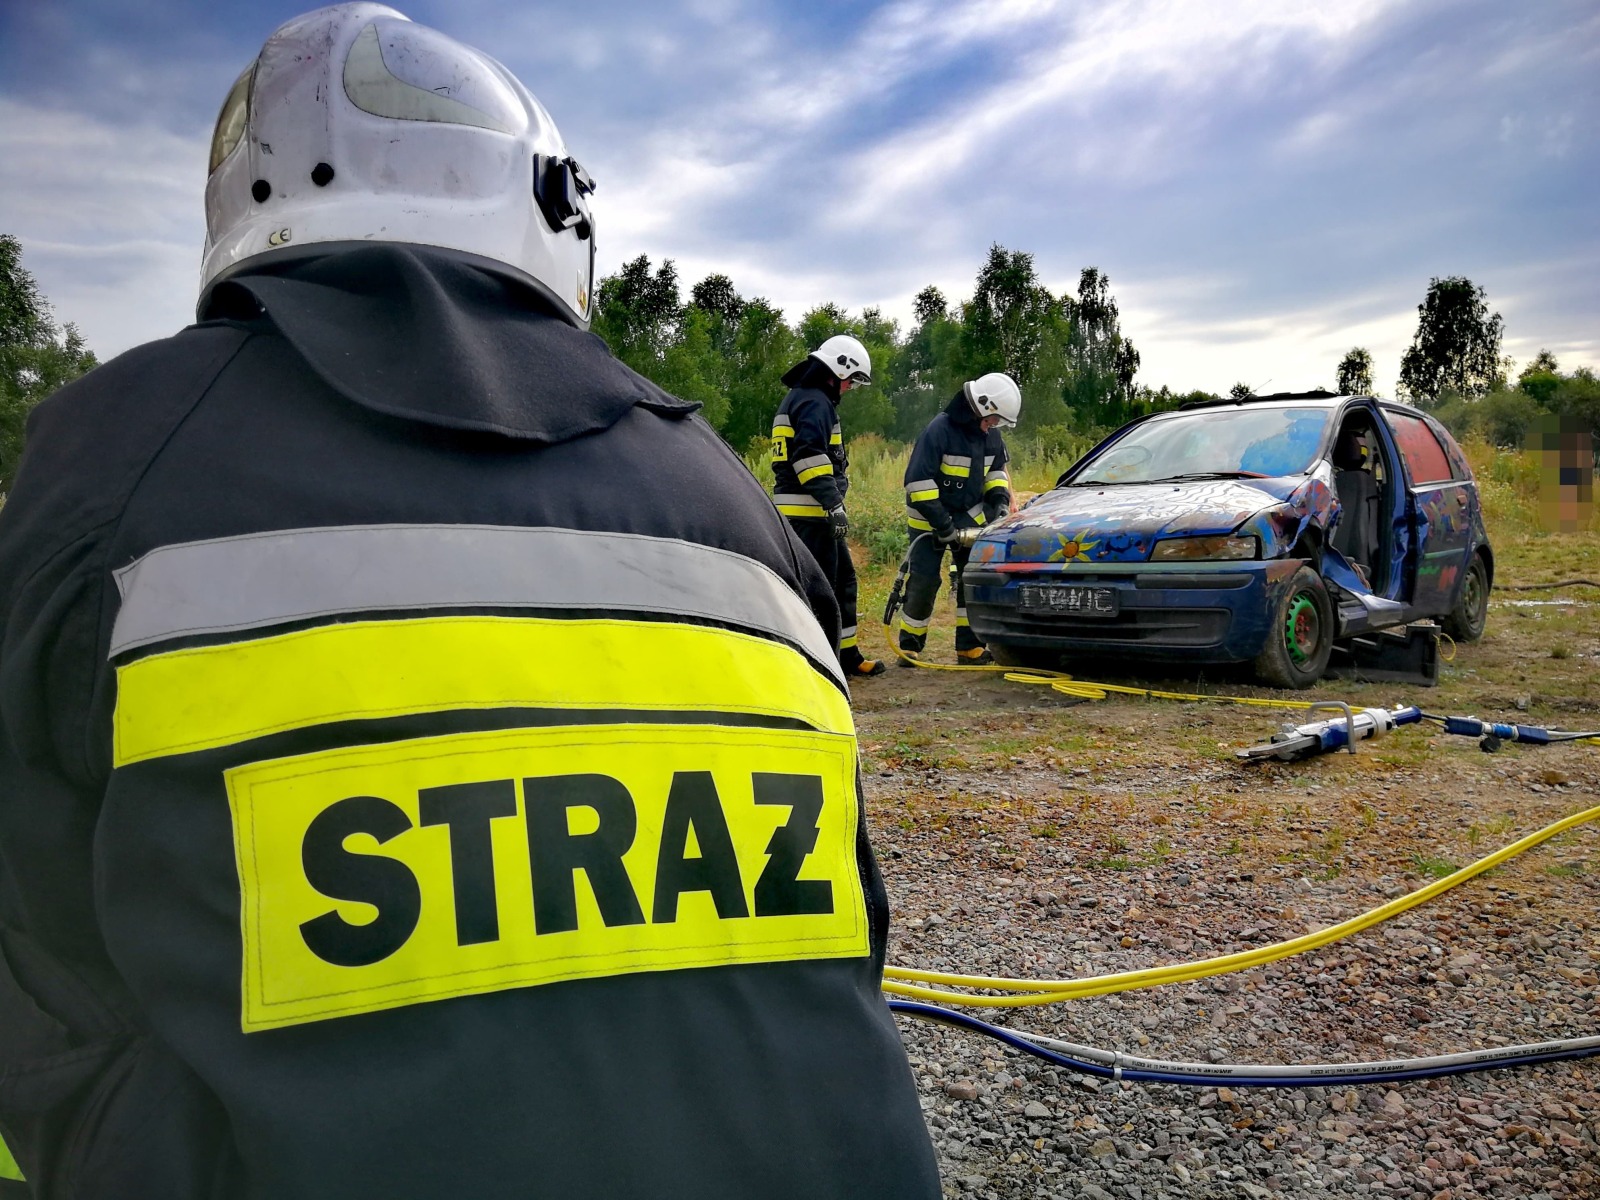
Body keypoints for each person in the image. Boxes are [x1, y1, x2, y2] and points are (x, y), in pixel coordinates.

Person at [0, 7, 940, 1198]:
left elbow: (39, 951)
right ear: (547, 206)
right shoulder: (720, 489)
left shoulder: (114, 462)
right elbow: (849, 926)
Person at [769, 335, 887, 677]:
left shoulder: (801, 399)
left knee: (843, 581)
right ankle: (823, 662)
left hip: (806, 514)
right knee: (823, 591)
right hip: (811, 515)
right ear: (837, 370)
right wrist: (833, 503)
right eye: (851, 381)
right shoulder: (814, 402)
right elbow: (809, 457)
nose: (850, 389)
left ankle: (845, 655)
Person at [899, 373, 1021, 663]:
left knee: (971, 580)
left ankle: (969, 647)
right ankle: (910, 647)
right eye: (993, 419)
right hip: (928, 519)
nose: (994, 425)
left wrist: (999, 502)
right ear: (981, 406)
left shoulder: (991, 435)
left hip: (969, 517)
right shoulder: (940, 430)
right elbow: (917, 482)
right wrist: (943, 525)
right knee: (924, 581)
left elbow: (995, 474)